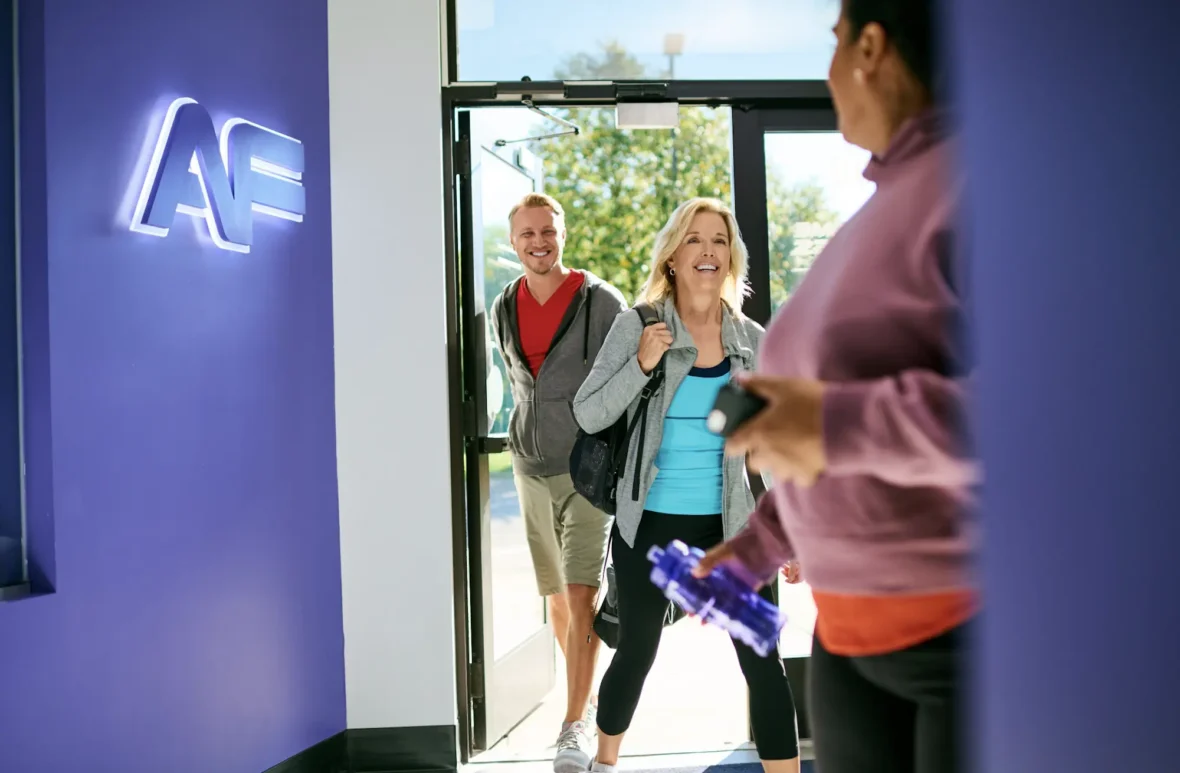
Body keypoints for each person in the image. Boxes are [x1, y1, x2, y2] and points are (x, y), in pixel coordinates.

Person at [694, 2, 976, 772]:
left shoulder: (980, 188)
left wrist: (828, 424)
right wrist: (756, 546)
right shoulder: (878, 211)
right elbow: (830, 432)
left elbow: (1037, 411)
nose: (828, 73)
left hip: (959, 641)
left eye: (833, 44)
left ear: (871, 47)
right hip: (847, 642)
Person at [572, 198, 801, 773]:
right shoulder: (639, 325)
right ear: (672, 256)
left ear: (731, 257)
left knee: (762, 658)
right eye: (694, 239)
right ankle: (604, 763)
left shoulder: (751, 339)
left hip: (732, 527)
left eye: (719, 240)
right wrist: (641, 365)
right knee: (637, 652)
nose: (707, 250)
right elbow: (589, 412)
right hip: (649, 524)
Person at [487, 192, 628, 771]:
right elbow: (518, 382)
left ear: (562, 234)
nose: (538, 242)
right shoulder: (503, 304)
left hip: (587, 469)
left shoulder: (600, 301)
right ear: (513, 241)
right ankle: (583, 695)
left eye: (547, 231)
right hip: (529, 465)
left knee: (580, 593)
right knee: (558, 600)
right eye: (527, 234)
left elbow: (625, 384)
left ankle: (573, 728)